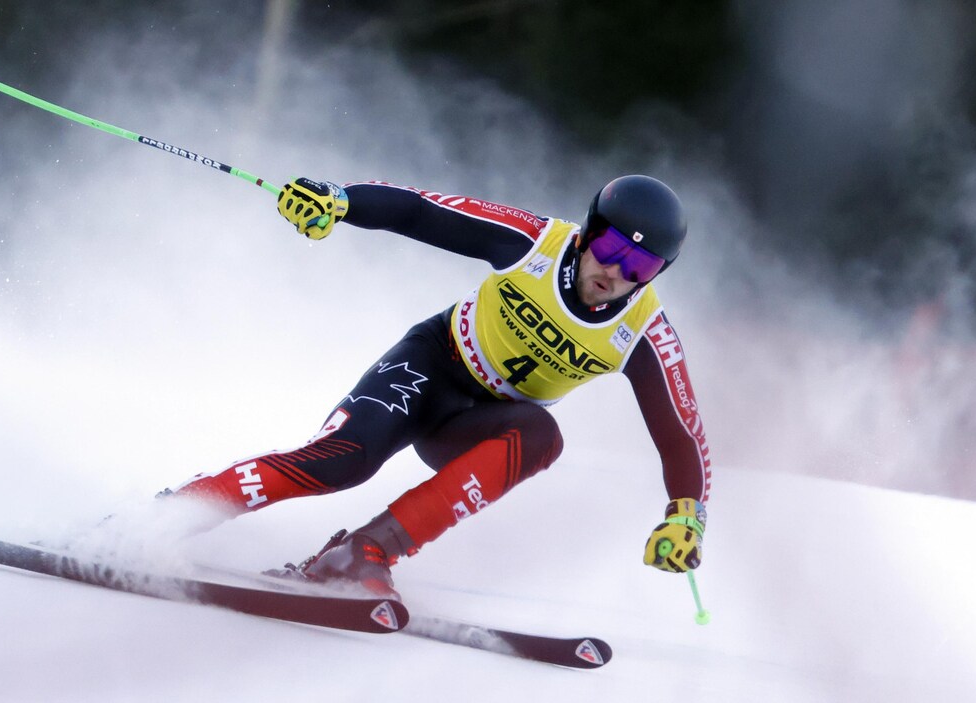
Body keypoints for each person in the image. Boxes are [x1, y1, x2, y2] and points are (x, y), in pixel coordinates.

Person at [165, 175, 711, 598]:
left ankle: (361, 555)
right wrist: (340, 201)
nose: (616, 273)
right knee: (340, 463)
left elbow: (681, 432)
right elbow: (420, 210)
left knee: (543, 437)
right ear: (588, 232)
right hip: (432, 367)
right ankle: (178, 511)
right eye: (612, 248)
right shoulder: (536, 242)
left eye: (640, 266)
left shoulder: (643, 332)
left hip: (476, 425)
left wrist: (687, 515)